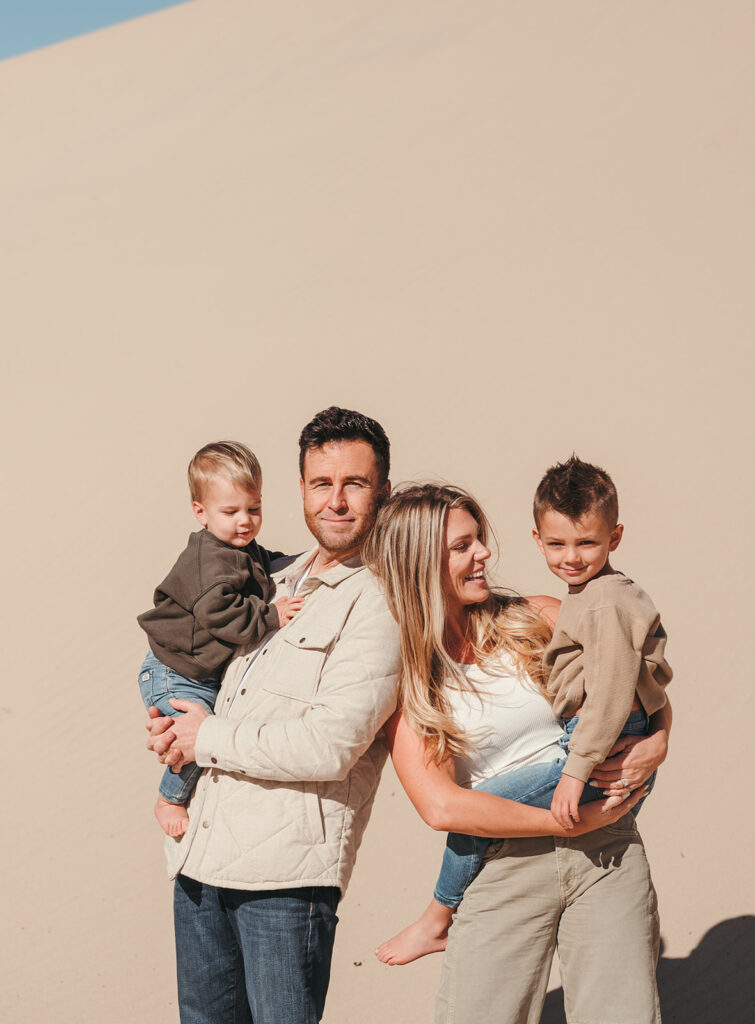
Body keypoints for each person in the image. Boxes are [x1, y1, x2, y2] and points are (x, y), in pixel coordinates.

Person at [366, 484, 669, 1023]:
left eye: (478, 539)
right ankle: (438, 916)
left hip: (608, 852)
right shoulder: (412, 680)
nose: (483, 552)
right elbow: (442, 807)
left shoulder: (543, 615)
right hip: (503, 865)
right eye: (462, 546)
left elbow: (636, 687)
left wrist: (659, 740)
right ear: (420, 564)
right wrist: (563, 826)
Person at [145, 407, 401, 1024]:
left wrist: (205, 735)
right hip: (200, 862)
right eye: (321, 484)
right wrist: (171, 720)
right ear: (303, 490)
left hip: (284, 884)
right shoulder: (270, 575)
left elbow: (331, 746)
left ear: (382, 492)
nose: (335, 501)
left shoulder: (382, 603)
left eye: (354, 484)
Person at [137, 441, 302, 836]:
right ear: (201, 513)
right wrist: (271, 616)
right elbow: (220, 613)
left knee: (206, 734)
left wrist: (302, 561)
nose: (245, 521)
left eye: (254, 508)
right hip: (173, 672)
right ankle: (169, 799)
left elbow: (264, 565)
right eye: (230, 512)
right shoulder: (210, 561)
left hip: (191, 670)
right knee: (196, 737)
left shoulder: (237, 547)